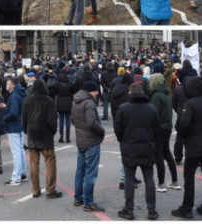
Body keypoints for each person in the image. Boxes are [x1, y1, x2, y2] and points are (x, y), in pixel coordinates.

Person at [172, 77, 202, 219]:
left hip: (194, 144)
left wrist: (179, 129)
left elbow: (184, 126)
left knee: (189, 176)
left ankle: (187, 207)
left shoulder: (190, 104)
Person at [114, 83, 159, 221]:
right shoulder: (151, 108)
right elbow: (157, 130)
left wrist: (123, 140)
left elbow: (118, 129)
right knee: (149, 179)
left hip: (129, 147)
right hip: (147, 147)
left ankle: (129, 209)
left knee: (129, 179)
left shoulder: (123, 108)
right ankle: (151, 210)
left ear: (130, 92)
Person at [22, 80, 62, 199]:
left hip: (32, 134)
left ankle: (35, 190)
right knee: (50, 161)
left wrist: (26, 129)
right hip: (45, 135)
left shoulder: (28, 100)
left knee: (34, 163)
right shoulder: (48, 100)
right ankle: (50, 189)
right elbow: (53, 119)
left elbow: (23, 117)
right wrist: (53, 131)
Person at [71, 80, 106, 212]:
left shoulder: (75, 100)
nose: (97, 93)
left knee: (80, 170)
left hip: (81, 140)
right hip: (91, 141)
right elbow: (91, 123)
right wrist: (101, 131)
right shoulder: (89, 102)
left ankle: (78, 198)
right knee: (91, 172)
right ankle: (88, 202)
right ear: (90, 91)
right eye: (96, 90)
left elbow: (73, 119)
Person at [148, 73, 180, 192]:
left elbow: (153, 113)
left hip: (159, 128)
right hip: (167, 127)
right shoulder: (166, 94)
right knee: (167, 153)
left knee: (159, 155)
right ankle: (175, 181)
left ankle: (161, 183)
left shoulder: (156, 96)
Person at [3, 77, 27, 186]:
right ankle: (22, 173)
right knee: (20, 150)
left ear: (12, 85)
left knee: (16, 152)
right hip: (19, 124)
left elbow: (13, 112)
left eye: (8, 84)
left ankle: (16, 178)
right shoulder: (21, 93)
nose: (7, 86)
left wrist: (4, 118)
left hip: (13, 126)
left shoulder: (14, 96)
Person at [50, 68, 74, 143]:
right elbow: (73, 92)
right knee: (67, 121)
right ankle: (68, 136)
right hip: (68, 102)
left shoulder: (57, 84)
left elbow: (53, 91)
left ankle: (61, 136)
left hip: (60, 101)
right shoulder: (70, 84)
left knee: (61, 120)